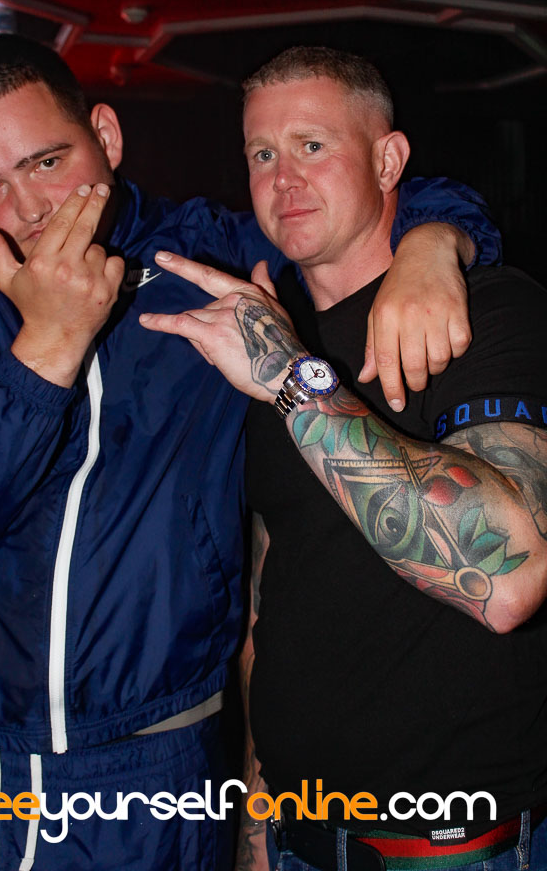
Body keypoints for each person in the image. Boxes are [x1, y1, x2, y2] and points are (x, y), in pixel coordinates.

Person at [0, 34, 499, 871]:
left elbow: (365, 197)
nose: (31, 209)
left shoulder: (207, 256)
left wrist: (435, 243)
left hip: (159, 766)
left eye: (47, 162)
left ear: (105, 136)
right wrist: (47, 347)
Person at [138, 47, 547, 871]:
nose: (282, 178)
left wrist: (291, 379)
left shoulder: (493, 310)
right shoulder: (270, 333)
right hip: (300, 836)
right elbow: (273, 604)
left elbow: (507, 580)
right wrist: (258, 825)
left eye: (312, 145)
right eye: (261, 153)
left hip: (450, 846)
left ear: (388, 162)